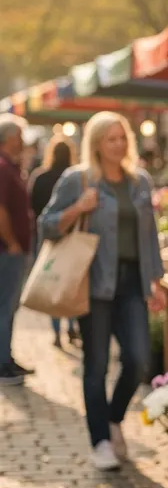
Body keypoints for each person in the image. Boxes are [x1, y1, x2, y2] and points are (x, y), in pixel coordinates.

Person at [39, 112, 167, 471]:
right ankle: (100, 441)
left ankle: (112, 418)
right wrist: (78, 208)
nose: (119, 144)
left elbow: (150, 236)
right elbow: (46, 225)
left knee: (139, 359)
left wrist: (156, 282)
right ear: (96, 143)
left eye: (122, 137)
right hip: (93, 283)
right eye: (111, 139)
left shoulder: (139, 181)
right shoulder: (77, 180)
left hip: (131, 284)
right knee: (94, 365)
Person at [29, 137, 79, 348]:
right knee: (73, 284)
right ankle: (71, 327)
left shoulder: (40, 177)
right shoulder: (76, 178)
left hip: (47, 239)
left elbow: (31, 207)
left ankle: (57, 331)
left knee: (52, 283)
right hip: (73, 238)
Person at [0, 115, 33, 385]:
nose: (22, 142)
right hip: (6, 251)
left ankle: (6, 357)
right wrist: (11, 242)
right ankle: (2, 362)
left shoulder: (9, 166)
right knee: (5, 306)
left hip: (12, 249)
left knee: (9, 307)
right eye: (20, 137)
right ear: (10, 138)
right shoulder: (1, 166)